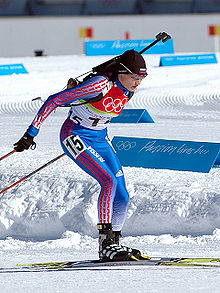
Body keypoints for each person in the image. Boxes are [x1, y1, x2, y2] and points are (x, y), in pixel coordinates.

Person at [14, 49, 148, 262]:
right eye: (134, 77)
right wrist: (31, 134)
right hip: (75, 135)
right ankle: (105, 245)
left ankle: (115, 243)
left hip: (100, 139)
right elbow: (52, 101)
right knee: (109, 182)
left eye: (142, 78)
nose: (138, 82)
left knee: (122, 194)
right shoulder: (97, 85)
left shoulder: (128, 88)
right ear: (122, 71)